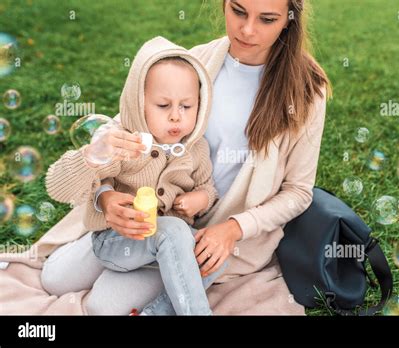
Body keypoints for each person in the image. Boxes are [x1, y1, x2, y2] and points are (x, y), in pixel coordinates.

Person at [40, 0, 331, 315]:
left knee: (105, 304)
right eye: (238, 11)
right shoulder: (196, 62)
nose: (247, 30)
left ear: (289, 19)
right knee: (53, 279)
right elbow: (129, 127)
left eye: (267, 19)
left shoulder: (307, 91)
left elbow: (299, 192)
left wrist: (234, 228)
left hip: (212, 238)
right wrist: (105, 196)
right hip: (145, 221)